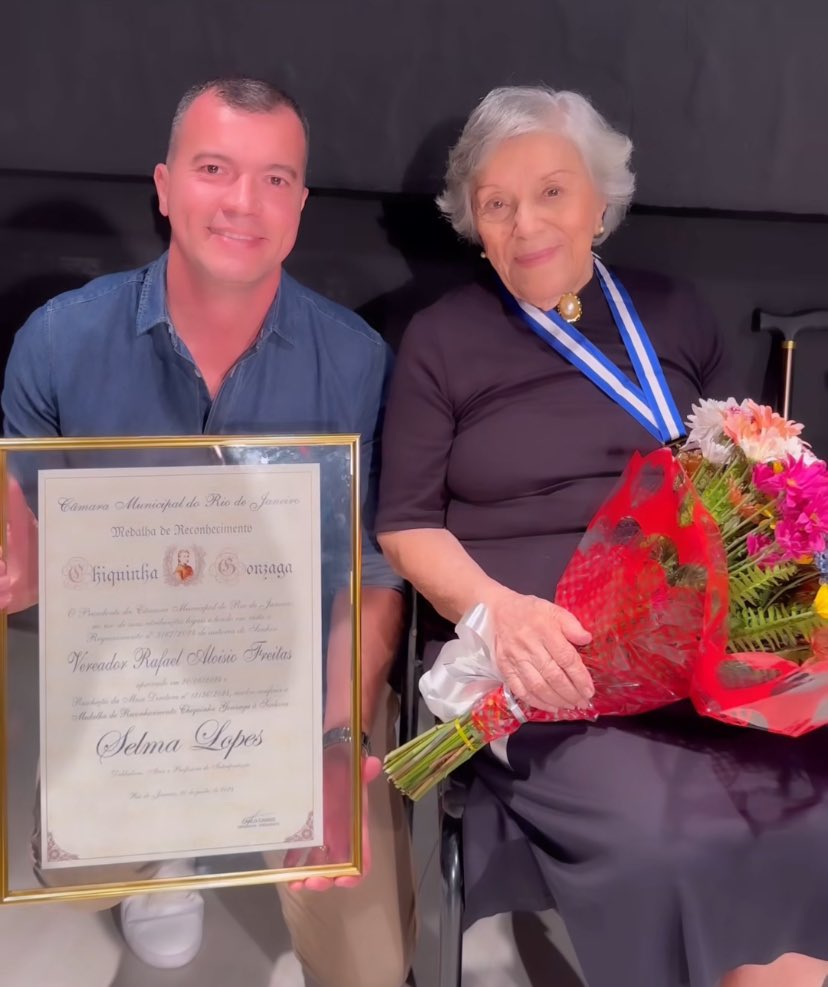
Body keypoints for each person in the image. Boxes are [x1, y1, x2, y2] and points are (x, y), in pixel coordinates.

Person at [376, 85, 828, 987]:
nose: (526, 224)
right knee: (667, 837)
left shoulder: (675, 310)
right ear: (473, 224)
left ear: (600, 200)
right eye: (497, 204)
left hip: (700, 653)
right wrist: (500, 616)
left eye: (551, 191)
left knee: (809, 800)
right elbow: (406, 524)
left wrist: (788, 614)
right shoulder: (442, 338)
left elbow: (742, 480)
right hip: (554, 670)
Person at [0, 77, 416, 987]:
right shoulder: (58, 342)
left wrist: (335, 741)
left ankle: (258, 801)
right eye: (215, 169)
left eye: (275, 179)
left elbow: (375, 573)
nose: (243, 202)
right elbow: (21, 529)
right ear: (164, 184)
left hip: (299, 675)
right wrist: (18, 565)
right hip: (130, 671)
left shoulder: (357, 362)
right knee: (78, 867)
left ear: (300, 205)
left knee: (371, 965)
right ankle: (169, 854)